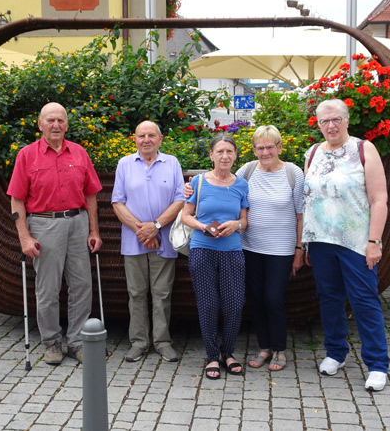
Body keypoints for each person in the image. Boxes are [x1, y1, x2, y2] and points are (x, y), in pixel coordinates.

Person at [185, 126, 305, 372]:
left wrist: (299, 248)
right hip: (238, 247)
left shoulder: (287, 174)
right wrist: (193, 199)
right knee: (243, 300)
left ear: (280, 147)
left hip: (272, 248)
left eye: (270, 147)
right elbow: (194, 207)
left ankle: (268, 350)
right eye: (260, 147)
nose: (265, 152)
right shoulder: (240, 173)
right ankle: (245, 351)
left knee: (261, 300)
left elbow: (297, 214)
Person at [303, 98, 390, 392]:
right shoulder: (312, 153)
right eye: (325, 121)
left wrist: (374, 242)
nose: (331, 125)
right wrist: (306, 242)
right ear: (318, 124)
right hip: (321, 241)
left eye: (336, 119)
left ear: (347, 120)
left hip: (356, 242)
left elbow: (379, 199)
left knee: (364, 300)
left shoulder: (363, 149)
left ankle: (377, 364)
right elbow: (308, 199)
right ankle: (336, 352)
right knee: (329, 298)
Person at [7, 102, 103, 365]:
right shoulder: (27, 155)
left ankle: (77, 342)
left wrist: (94, 230)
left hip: (78, 223)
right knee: (48, 289)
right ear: (40, 124)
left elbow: (91, 195)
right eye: (50, 120)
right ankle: (51, 342)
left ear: (67, 124)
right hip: (44, 225)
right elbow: (17, 200)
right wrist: (24, 237)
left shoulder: (80, 153)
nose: (56, 125)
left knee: (82, 286)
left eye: (61, 120)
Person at [111, 121, 185, 363]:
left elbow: (179, 200)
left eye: (151, 135)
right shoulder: (124, 164)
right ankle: (139, 342)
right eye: (141, 135)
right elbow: (117, 202)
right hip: (134, 241)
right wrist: (142, 231)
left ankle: (162, 342)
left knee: (162, 293)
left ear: (160, 139)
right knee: (136, 293)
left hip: (164, 239)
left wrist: (156, 227)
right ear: (134, 139)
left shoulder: (172, 163)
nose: (146, 140)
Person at [181, 134, 249, 380]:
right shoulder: (198, 182)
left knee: (234, 304)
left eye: (229, 151)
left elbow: (244, 220)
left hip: (232, 251)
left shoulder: (241, 184)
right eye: (220, 151)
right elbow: (185, 216)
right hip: (202, 249)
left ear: (235, 155)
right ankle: (212, 355)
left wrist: (235, 225)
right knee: (208, 304)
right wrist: (202, 227)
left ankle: (227, 352)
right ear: (211, 155)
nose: (225, 156)